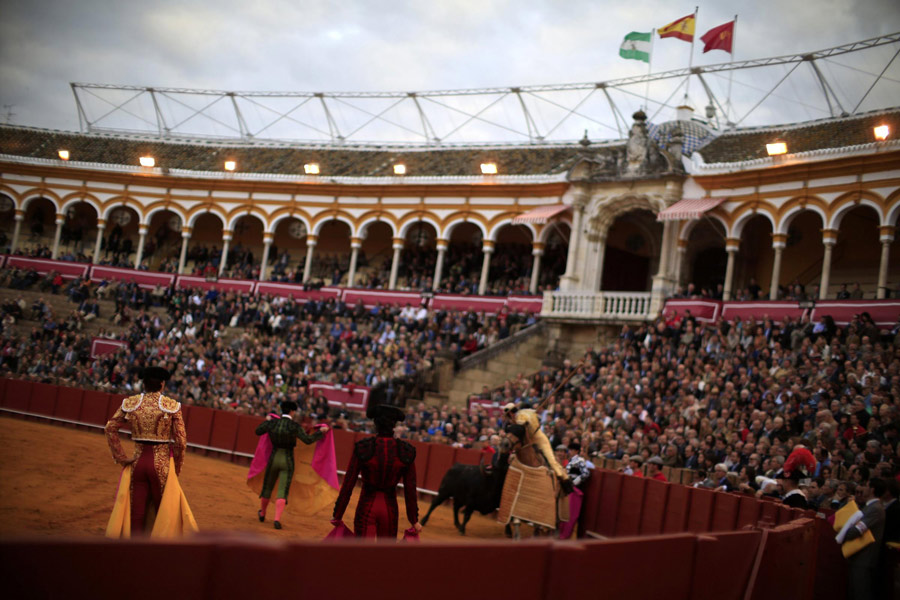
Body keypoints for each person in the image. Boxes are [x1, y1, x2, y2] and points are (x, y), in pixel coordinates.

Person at [104, 366, 197, 537]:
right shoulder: (171, 406)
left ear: (144, 384)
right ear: (162, 384)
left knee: (137, 514)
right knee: (163, 512)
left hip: (137, 463)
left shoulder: (131, 403)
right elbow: (181, 442)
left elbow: (110, 428)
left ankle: (134, 551)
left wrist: (121, 457)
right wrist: (175, 468)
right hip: (161, 465)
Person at [333, 401, 421, 539]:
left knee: (363, 555)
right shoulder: (405, 451)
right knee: (384, 557)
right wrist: (414, 520)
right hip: (390, 509)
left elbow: (349, 483)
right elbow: (410, 488)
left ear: (375, 423)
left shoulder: (364, 447)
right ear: (394, 425)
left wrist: (338, 514)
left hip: (366, 506)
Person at [253, 400, 327, 530]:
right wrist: (321, 432)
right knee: (283, 489)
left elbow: (258, 431)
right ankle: (276, 519)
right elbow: (308, 440)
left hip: (273, 458)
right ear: (292, 411)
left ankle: (263, 513)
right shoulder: (294, 426)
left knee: (268, 487)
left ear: (282, 409)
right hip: (287, 460)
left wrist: (267, 420)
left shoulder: (273, 423)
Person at [503, 402, 574, 494]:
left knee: (551, 460)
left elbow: (531, 425)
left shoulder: (524, 415)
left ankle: (565, 480)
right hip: (526, 442)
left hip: (539, 439)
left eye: (509, 414)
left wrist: (525, 422)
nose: (509, 416)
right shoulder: (515, 419)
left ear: (511, 413)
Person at [843, 478, 886, 600]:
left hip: (864, 559)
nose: (862, 489)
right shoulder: (869, 507)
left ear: (872, 489)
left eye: (866, 486)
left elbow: (856, 531)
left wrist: (844, 531)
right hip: (859, 557)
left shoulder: (875, 509)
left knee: (860, 593)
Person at [558, 440, 591, 540]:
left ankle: (565, 535)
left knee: (571, 513)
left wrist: (574, 483)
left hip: (574, 490)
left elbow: (585, 473)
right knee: (565, 512)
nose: (570, 451)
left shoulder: (580, 460)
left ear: (576, 451)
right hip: (567, 489)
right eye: (570, 449)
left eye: (572, 450)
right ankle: (562, 534)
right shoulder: (571, 461)